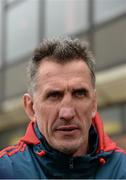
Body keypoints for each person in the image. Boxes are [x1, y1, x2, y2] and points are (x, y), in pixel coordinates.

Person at [0, 38, 126, 179]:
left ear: (94, 103)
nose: (67, 113)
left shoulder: (122, 171)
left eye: (79, 93)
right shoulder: (6, 171)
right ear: (31, 108)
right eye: (54, 95)